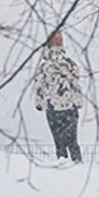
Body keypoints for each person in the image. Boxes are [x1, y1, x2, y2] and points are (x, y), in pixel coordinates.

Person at [33, 30, 84, 162]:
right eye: (56, 39)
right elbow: (39, 86)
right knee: (69, 143)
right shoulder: (67, 65)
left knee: (64, 144)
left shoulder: (47, 66)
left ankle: (67, 167)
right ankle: (75, 166)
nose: (59, 41)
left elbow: (39, 86)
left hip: (59, 108)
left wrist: (40, 103)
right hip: (62, 108)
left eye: (60, 39)